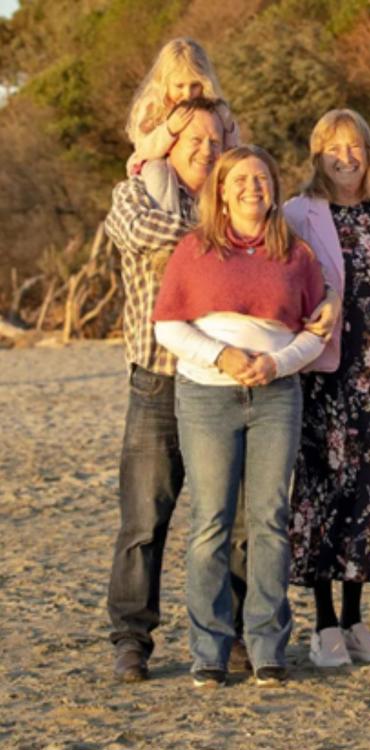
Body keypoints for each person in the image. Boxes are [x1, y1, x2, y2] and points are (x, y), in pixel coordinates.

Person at [153, 145, 327, 688]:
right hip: (208, 397)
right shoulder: (196, 249)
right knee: (211, 521)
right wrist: (221, 356)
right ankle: (209, 650)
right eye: (241, 180)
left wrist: (277, 363)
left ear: (274, 189)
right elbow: (167, 325)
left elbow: (317, 331)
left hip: (276, 396)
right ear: (222, 193)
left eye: (262, 178)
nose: (253, 187)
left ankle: (267, 647)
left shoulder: (295, 254)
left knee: (269, 521)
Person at [104, 98, 229, 683]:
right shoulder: (137, 193)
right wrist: (221, 239)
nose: (206, 149)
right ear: (169, 145)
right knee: (144, 519)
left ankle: (232, 635)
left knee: (228, 517)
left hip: (222, 382)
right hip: (158, 376)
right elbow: (137, 231)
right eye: (193, 139)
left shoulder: (233, 194)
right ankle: (132, 639)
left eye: (215, 140)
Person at [284, 109, 370, 668]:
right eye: (334, 147)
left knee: (369, 496)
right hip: (324, 379)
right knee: (322, 496)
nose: (346, 157)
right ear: (317, 155)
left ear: (369, 152)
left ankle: (356, 621)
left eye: (354, 146)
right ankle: (324, 626)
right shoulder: (298, 213)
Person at [125, 38, 238, 213]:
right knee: (158, 171)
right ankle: (167, 216)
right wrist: (169, 130)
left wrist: (228, 125)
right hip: (158, 170)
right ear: (164, 82)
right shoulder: (153, 107)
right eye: (179, 86)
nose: (187, 94)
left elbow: (231, 149)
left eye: (195, 85)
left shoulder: (211, 108)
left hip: (197, 171)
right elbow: (144, 149)